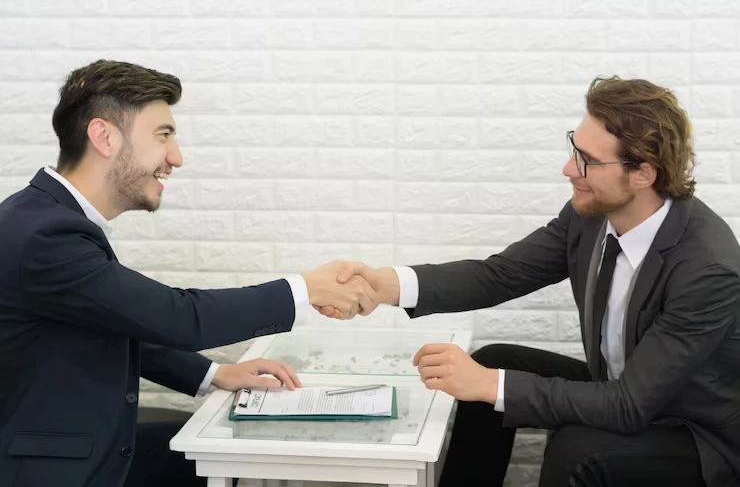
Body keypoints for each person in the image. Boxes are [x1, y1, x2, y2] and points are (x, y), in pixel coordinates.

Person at [318, 76, 740, 487]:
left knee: (574, 449)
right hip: (622, 390)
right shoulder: (589, 215)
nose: (568, 168)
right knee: (494, 361)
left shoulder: (707, 269)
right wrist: (383, 285)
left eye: (587, 161)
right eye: (575, 148)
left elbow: (630, 405)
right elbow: (499, 275)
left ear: (643, 174)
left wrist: (489, 385)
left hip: (694, 431)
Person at [0, 60, 376, 487]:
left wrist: (212, 375)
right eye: (164, 135)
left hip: (79, 444)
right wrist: (304, 290)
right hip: (49, 470)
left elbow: (112, 321)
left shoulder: (47, 218)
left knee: (225, 455)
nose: (175, 157)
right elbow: (176, 317)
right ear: (104, 137)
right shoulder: (45, 235)